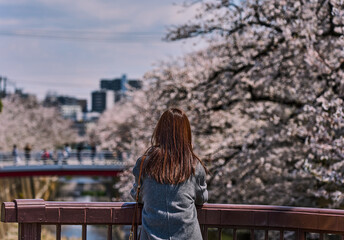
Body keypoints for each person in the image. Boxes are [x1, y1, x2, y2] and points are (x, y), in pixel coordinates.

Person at [130, 108, 208, 240]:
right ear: (186, 133)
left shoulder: (144, 163)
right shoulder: (193, 165)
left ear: (159, 131)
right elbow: (201, 198)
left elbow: (137, 195)